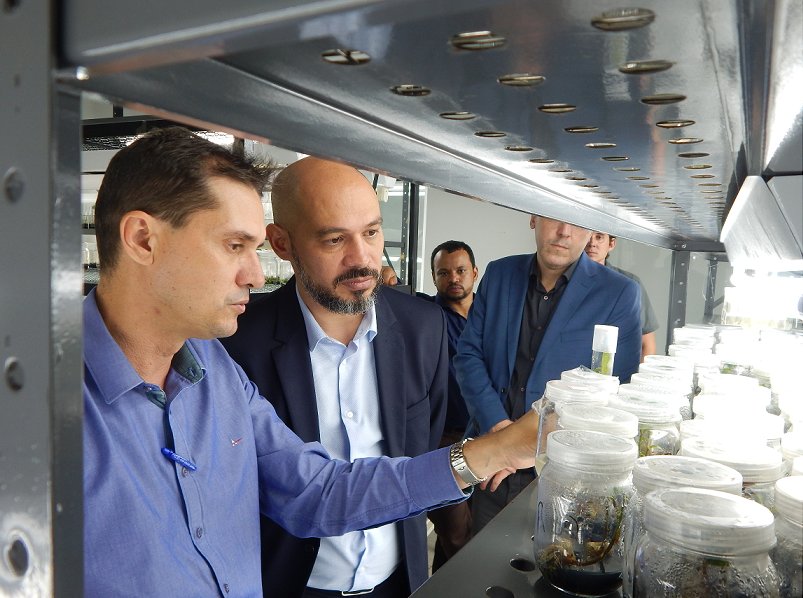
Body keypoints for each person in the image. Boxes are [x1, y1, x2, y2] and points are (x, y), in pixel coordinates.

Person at [83, 127, 541, 598]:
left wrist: (497, 450)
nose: (255, 275)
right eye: (234, 246)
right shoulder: (49, 408)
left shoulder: (213, 367)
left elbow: (317, 492)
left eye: (371, 232)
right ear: (143, 239)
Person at [221, 157, 449, 598]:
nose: (362, 259)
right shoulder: (236, 344)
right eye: (334, 239)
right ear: (282, 243)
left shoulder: (424, 327)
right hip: (290, 584)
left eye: (371, 232)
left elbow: (428, 440)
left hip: (399, 581)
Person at [454, 215, 642, 533]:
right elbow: (468, 355)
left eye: (578, 222)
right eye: (554, 217)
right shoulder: (499, 274)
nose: (564, 231)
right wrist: (502, 432)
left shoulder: (618, 293)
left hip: (564, 473)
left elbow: (616, 393)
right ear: (533, 218)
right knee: (481, 556)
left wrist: (536, 446)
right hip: (494, 459)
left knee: (555, 557)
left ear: (592, 231)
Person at [418, 241, 479, 570]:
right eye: (443, 272)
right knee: (457, 534)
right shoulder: (427, 314)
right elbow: (392, 298)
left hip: (486, 434)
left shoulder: (490, 317)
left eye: (460, 270)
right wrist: (386, 277)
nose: (453, 278)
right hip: (443, 440)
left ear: (474, 273)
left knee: (475, 531)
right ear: (434, 277)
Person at [584, 231, 659, 360]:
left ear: (611, 244)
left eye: (599, 237)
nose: (592, 243)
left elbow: (647, 345)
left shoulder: (629, 284)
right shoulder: (561, 280)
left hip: (613, 369)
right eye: (587, 236)